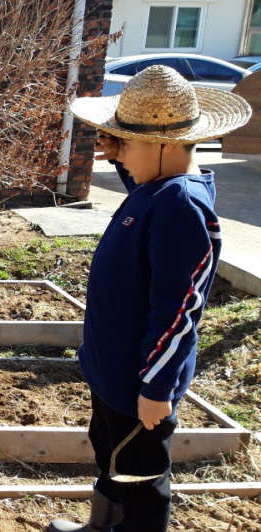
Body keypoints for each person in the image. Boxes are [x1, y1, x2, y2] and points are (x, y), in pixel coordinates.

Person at [47, 65, 250, 532]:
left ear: (166, 145)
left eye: (126, 143)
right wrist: (122, 151)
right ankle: (104, 524)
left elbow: (179, 311)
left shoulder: (181, 208)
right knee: (110, 452)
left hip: (141, 382)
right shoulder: (158, 188)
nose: (116, 155)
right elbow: (144, 175)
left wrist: (157, 389)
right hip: (113, 370)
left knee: (140, 476)